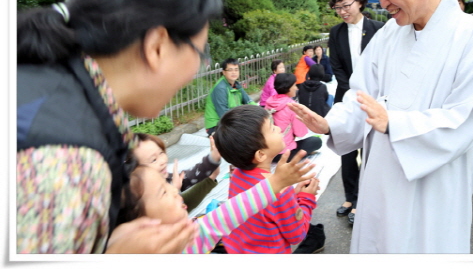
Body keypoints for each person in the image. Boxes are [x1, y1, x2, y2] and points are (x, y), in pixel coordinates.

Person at [289, 0, 473, 253]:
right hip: (379, 181)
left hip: (433, 189)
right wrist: (332, 125)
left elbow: (466, 117)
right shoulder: (389, 34)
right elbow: (361, 96)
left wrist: (395, 124)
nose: (382, 2)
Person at [17, 0, 222, 253]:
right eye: (200, 54)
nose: (199, 69)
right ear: (157, 46)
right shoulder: (70, 165)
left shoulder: (43, 82)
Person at [116, 148, 317, 254]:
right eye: (163, 191)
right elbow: (230, 213)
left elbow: (228, 213)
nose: (175, 188)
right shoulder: (188, 242)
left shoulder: (189, 231)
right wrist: (277, 184)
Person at [213, 105, 322, 254]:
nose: (278, 129)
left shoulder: (237, 174)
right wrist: (306, 198)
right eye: (272, 128)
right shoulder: (280, 190)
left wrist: (292, 198)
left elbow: (268, 211)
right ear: (261, 154)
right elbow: (297, 234)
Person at [327, 0, 384, 225]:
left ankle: (366, 201)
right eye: (338, 8)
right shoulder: (335, 33)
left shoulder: (380, 29)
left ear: (359, 2)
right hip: (346, 96)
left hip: (373, 99)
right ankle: (351, 197)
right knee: (348, 151)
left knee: (372, 151)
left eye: (346, 5)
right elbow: (337, 66)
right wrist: (351, 90)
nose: (343, 11)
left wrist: (366, 92)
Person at [129, 133, 221, 212]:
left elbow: (189, 177)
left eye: (161, 153)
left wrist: (212, 160)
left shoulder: (164, 177)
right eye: (153, 160)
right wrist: (174, 192)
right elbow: (167, 218)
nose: (162, 161)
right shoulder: (141, 200)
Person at [265, 73, 322, 162]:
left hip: (269, 152)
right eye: (294, 85)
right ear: (288, 87)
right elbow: (301, 133)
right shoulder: (292, 106)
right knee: (316, 141)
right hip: (284, 153)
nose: (297, 88)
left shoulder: (268, 103)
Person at [204, 58, 256, 135]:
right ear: (224, 72)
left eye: (236, 70)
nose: (234, 72)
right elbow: (223, 114)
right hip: (217, 125)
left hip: (230, 120)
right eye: (230, 70)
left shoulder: (236, 85)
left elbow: (248, 101)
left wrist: (261, 111)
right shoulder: (220, 88)